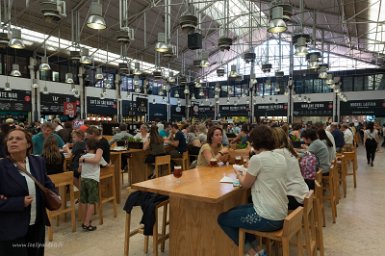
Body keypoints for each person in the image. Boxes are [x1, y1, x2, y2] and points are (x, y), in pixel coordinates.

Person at [218, 125, 288, 256]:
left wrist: (237, 172)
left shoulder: (258, 159)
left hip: (268, 218)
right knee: (235, 211)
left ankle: (251, 253)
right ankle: (259, 252)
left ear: (255, 142)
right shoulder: (280, 157)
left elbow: (245, 185)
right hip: (281, 212)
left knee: (222, 219)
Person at [0, 128, 57, 255]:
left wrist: (54, 194)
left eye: (18, 138)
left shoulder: (38, 161)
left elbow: (46, 182)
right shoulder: (2, 167)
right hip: (11, 229)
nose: (13, 141)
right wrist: (19, 202)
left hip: (37, 225)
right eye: (10, 139)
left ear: (28, 144)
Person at [272, 127, 309, 210]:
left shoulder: (276, 153)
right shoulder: (287, 151)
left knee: (255, 199)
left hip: (294, 197)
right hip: (302, 193)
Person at [78, 138, 108, 232]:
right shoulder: (97, 157)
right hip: (93, 180)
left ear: (87, 147)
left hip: (83, 180)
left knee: (83, 201)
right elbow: (106, 165)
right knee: (91, 202)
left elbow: (79, 170)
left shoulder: (83, 157)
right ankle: (87, 223)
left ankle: (83, 221)